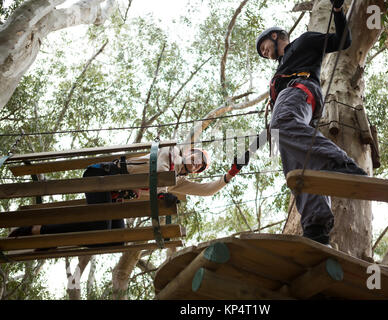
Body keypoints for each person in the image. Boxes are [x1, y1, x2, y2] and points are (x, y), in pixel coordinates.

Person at [255, 0, 367, 246]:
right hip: (297, 105)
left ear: (275, 36)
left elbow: (342, 41)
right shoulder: (280, 69)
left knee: (283, 123)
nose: (264, 53)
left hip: (301, 91)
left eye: (263, 46)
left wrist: (337, 10)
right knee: (300, 171)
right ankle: (316, 227)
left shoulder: (303, 43)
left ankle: (340, 163)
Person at [8, 145, 246, 244]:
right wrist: (162, 194)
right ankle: (38, 230)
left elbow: (206, 190)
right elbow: (159, 170)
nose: (196, 164)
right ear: (189, 152)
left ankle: (44, 236)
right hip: (100, 178)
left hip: (112, 197)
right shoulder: (170, 153)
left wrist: (230, 174)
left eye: (200, 166)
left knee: (114, 238)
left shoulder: (176, 181)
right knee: (101, 225)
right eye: (197, 158)